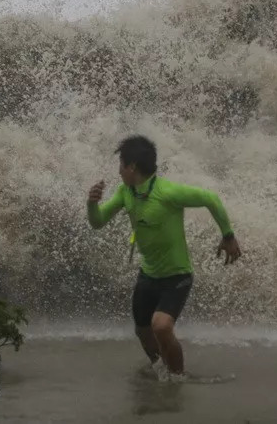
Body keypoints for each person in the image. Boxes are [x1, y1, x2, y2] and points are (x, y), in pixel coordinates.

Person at [86, 135, 241, 377]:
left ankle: (178, 377)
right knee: (143, 331)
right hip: (148, 275)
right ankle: (162, 370)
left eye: (121, 165)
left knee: (161, 326)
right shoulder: (125, 192)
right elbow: (98, 222)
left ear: (132, 166)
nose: (118, 171)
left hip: (176, 276)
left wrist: (228, 236)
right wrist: (92, 203)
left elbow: (211, 199)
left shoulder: (168, 192)